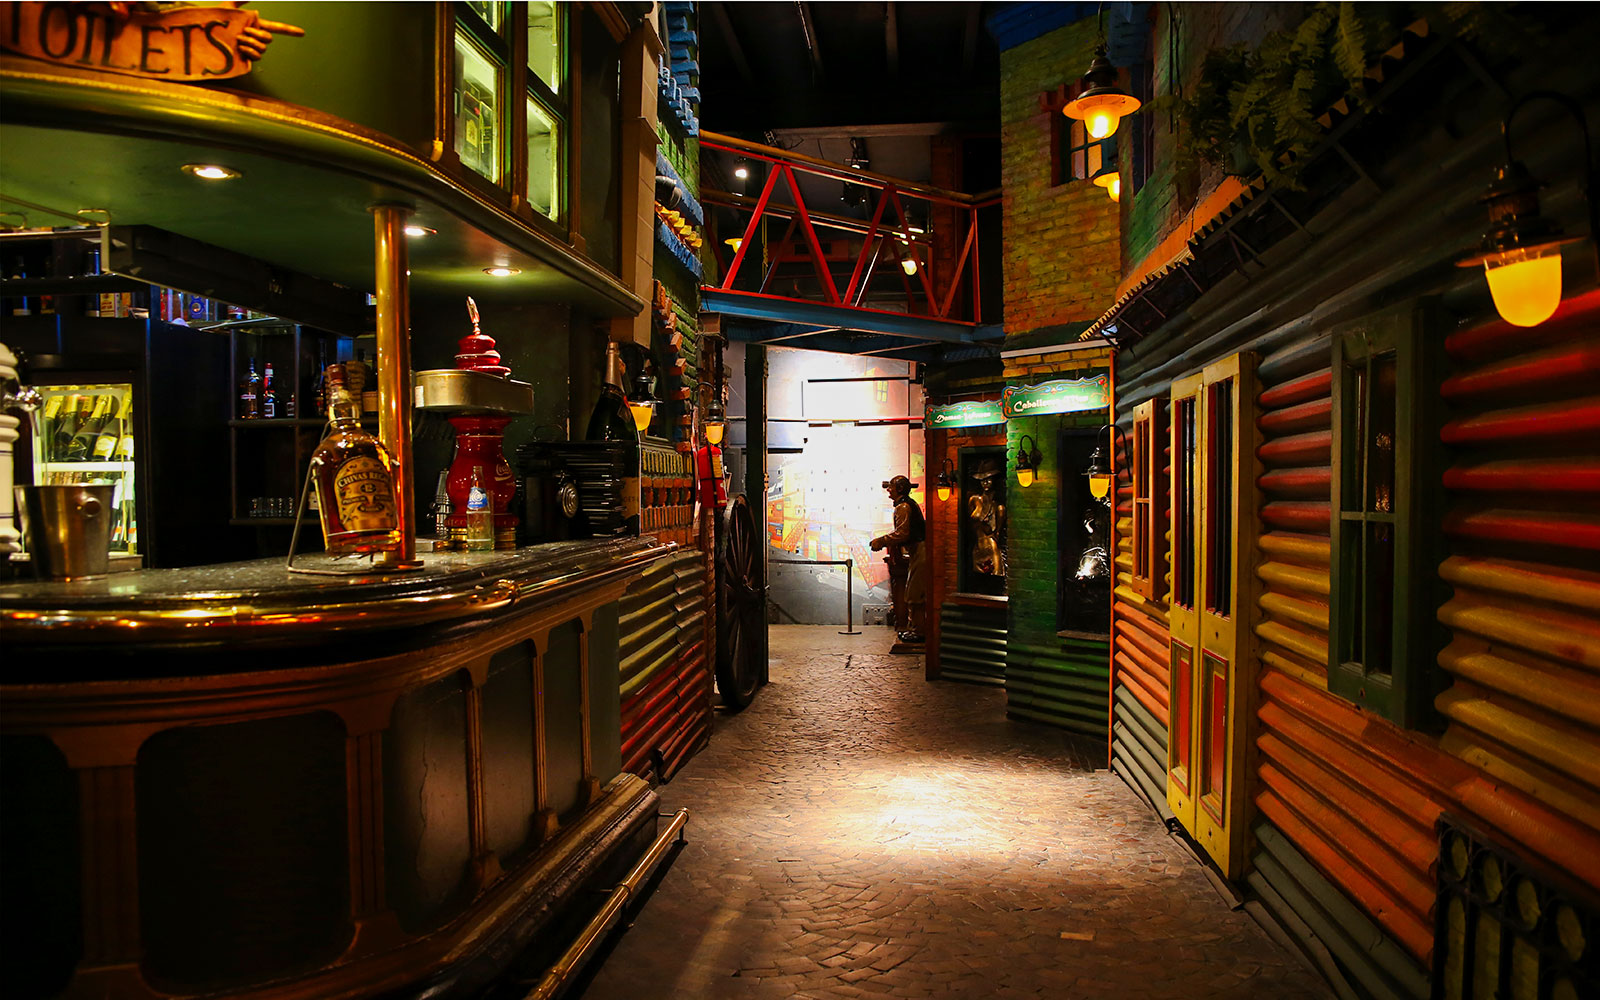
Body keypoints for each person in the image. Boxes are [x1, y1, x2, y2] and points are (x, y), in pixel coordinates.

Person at [869, 475, 927, 643]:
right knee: (913, 591)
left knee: (914, 593)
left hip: (919, 551)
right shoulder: (908, 505)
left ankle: (918, 631)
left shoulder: (903, 507)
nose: (889, 490)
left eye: (892, 487)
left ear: (900, 489)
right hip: (917, 551)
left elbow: (903, 533)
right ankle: (915, 628)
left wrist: (881, 541)